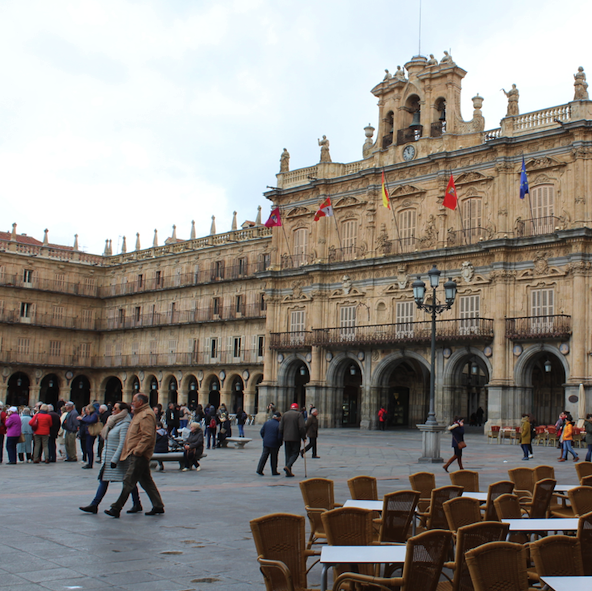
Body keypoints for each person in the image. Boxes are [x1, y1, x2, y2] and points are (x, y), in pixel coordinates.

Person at [104, 393, 165, 518]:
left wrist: (138, 451)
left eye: (134, 401)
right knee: (146, 481)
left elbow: (147, 435)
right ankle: (158, 505)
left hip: (139, 454)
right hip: (135, 452)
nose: (132, 403)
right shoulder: (139, 414)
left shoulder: (146, 415)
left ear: (140, 402)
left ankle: (116, 508)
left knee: (128, 480)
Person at [79, 402, 142, 514]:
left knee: (128, 482)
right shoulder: (114, 421)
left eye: (115, 408)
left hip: (117, 458)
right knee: (105, 480)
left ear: (123, 411)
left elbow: (122, 443)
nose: (112, 410)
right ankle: (94, 505)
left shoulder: (125, 424)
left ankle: (136, 504)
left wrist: (114, 459)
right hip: (108, 457)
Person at [279, 403, 306, 477]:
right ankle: (288, 466)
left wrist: (283, 435)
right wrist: (303, 437)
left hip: (286, 438)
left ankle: (288, 471)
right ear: (297, 408)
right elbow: (302, 427)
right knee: (295, 453)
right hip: (295, 438)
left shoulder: (285, 414)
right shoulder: (299, 415)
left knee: (288, 454)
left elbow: (280, 428)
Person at [256, 411, 282, 476]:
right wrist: (280, 443)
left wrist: (265, 438)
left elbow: (262, 432)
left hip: (266, 442)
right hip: (274, 443)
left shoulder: (267, 423)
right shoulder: (278, 425)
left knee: (264, 456)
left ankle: (259, 469)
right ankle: (274, 471)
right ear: (278, 418)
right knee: (274, 458)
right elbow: (279, 436)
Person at [77, 404, 99, 469]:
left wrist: (82, 419)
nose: (86, 411)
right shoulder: (89, 415)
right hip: (87, 433)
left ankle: (90, 463)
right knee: (87, 448)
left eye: (87, 409)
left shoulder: (94, 415)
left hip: (91, 433)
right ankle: (89, 462)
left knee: (89, 448)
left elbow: (90, 421)